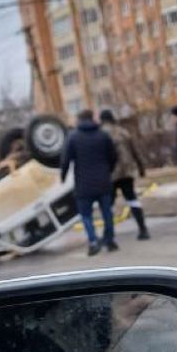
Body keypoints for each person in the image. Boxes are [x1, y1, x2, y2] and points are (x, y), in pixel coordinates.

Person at [60, 109, 118, 256]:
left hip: (83, 184)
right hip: (103, 181)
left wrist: (63, 176)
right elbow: (113, 156)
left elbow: (66, 159)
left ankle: (93, 242)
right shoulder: (103, 135)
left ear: (79, 120)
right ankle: (110, 241)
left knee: (86, 216)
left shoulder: (73, 137)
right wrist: (108, 171)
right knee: (107, 213)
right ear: (92, 118)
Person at [99, 109, 149, 240]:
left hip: (111, 174)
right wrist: (141, 167)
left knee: (108, 204)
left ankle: (108, 234)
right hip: (127, 172)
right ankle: (143, 229)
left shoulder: (101, 134)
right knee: (132, 200)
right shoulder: (123, 132)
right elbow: (135, 150)